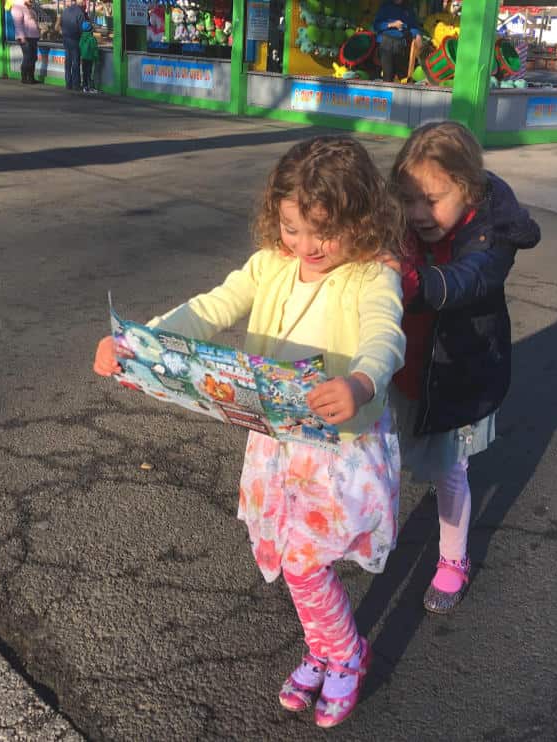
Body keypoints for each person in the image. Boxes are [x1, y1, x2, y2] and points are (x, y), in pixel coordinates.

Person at [93, 136, 406, 728]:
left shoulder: (370, 277)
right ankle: (326, 646)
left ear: (360, 219)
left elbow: (384, 335)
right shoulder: (270, 265)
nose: (306, 247)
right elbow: (211, 308)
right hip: (277, 438)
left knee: (304, 562)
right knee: (293, 554)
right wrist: (138, 343)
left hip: (336, 446)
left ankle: (345, 655)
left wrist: (363, 381)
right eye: (292, 228)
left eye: (323, 232)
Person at [386, 122, 541, 615]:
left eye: (432, 200)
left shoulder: (493, 232)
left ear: (468, 189)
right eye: (409, 200)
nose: (418, 214)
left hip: (459, 372)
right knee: (385, 457)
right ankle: (377, 527)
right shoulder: (401, 223)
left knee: (452, 472)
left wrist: (412, 283)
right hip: (405, 367)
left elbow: (471, 279)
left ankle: (453, 558)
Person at [373, 0, 422, 83]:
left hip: (402, 45)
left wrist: (417, 35)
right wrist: (392, 24)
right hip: (387, 44)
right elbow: (376, 25)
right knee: (388, 76)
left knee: (403, 76)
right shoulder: (385, 6)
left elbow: (413, 25)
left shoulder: (408, 8)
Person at [11, 0, 40, 85]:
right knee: (28, 57)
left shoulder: (29, 6)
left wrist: (38, 31)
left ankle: (31, 78)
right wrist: (22, 36)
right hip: (25, 37)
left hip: (33, 36)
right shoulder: (17, 7)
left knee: (33, 57)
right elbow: (18, 24)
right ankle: (24, 78)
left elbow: (33, 21)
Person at [60, 0, 86, 90]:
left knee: (68, 62)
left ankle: (68, 83)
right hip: (75, 40)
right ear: (81, 3)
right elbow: (82, 29)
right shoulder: (80, 13)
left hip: (66, 39)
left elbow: (61, 24)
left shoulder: (65, 11)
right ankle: (76, 84)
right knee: (75, 62)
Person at [79, 20, 99, 93]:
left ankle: (85, 87)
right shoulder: (92, 39)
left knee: (85, 72)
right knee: (90, 73)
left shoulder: (81, 38)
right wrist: (97, 58)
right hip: (91, 58)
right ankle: (91, 87)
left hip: (84, 58)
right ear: (90, 29)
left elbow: (80, 46)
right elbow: (95, 50)